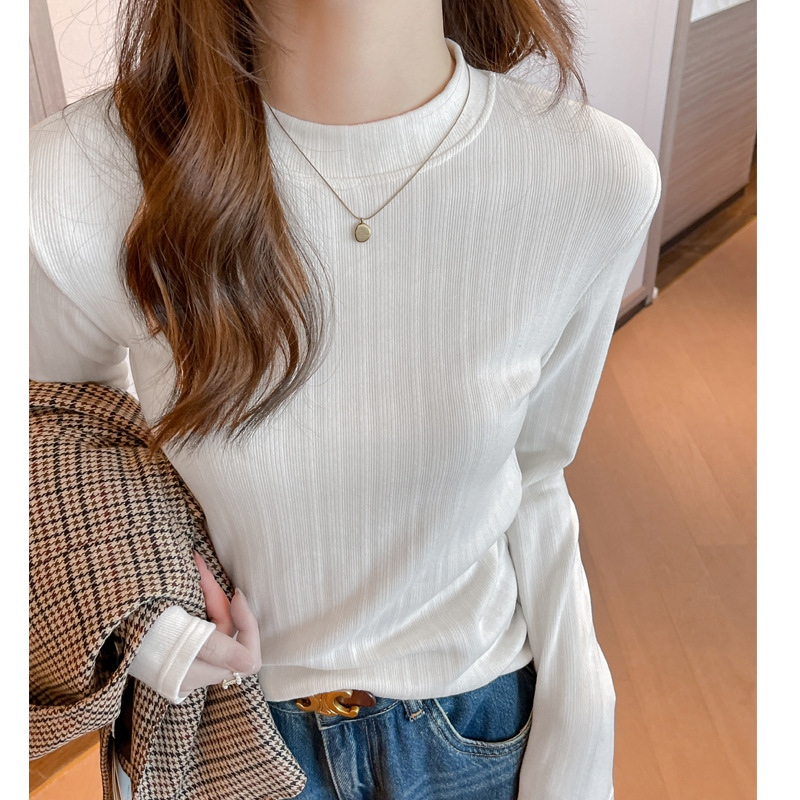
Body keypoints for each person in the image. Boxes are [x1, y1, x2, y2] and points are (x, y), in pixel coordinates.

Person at [29, 1, 661, 798]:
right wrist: (139, 612)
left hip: (477, 729)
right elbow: (46, 432)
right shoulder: (78, 174)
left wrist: (577, 739)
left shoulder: (590, 177)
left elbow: (537, 472)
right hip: (230, 733)